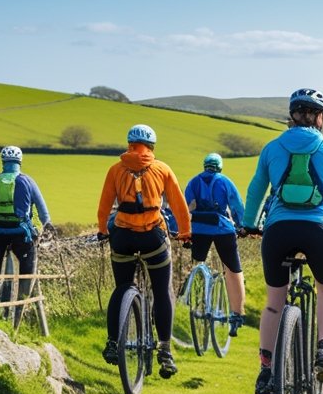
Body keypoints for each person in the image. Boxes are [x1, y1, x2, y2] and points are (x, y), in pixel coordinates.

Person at [243, 88, 323, 392]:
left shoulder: (272, 148)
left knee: (274, 301)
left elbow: (256, 190)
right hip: (319, 231)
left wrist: (248, 224)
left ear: (291, 116)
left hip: (278, 231)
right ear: (320, 118)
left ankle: (266, 369)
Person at [97, 124, 191, 379]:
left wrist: (102, 230)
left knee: (122, 287)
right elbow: (179, 204)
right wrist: (185, 232)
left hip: (123, 236)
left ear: (129, 144)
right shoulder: (162, 168)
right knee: (162, 291)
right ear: (152, 147)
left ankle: (112, 342)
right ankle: (165, 350)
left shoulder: (115, 169)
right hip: (153, 236)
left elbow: (105, 204)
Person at [0, 146, 54, 309]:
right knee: (27, 269)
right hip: (20, 233)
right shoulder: (28, 181)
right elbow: (41, 207)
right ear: (20, 161)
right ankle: (23, 304)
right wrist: (46, 223)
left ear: (3, 161)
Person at [184, 152, 247, 336]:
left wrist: (182, 229)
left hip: (198, 229)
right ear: (220, 167)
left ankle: (199, 294)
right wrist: (242, 226)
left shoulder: (194, 182)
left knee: (197, 261)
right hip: (222, 229)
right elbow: (237, 206)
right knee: (233, 269)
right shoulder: (224, 181)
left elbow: (185, 206)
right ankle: (237, 313)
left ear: (204, 166)